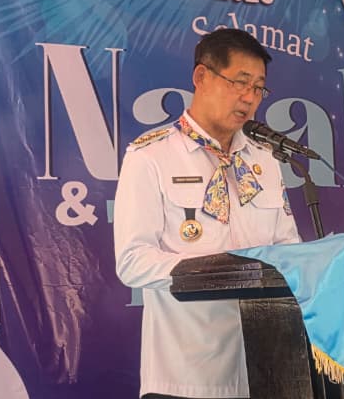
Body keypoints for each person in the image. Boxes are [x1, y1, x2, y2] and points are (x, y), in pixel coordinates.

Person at [113, 28, 300, 399]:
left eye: (258, 88)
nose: (249, 98)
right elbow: (132, 261)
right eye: (239, 82)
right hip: (186, 376)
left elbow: (288, 249)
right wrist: (215, 272)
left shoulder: (265, 161)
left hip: (267, 371)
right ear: (201, 77)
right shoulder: (151, 157)